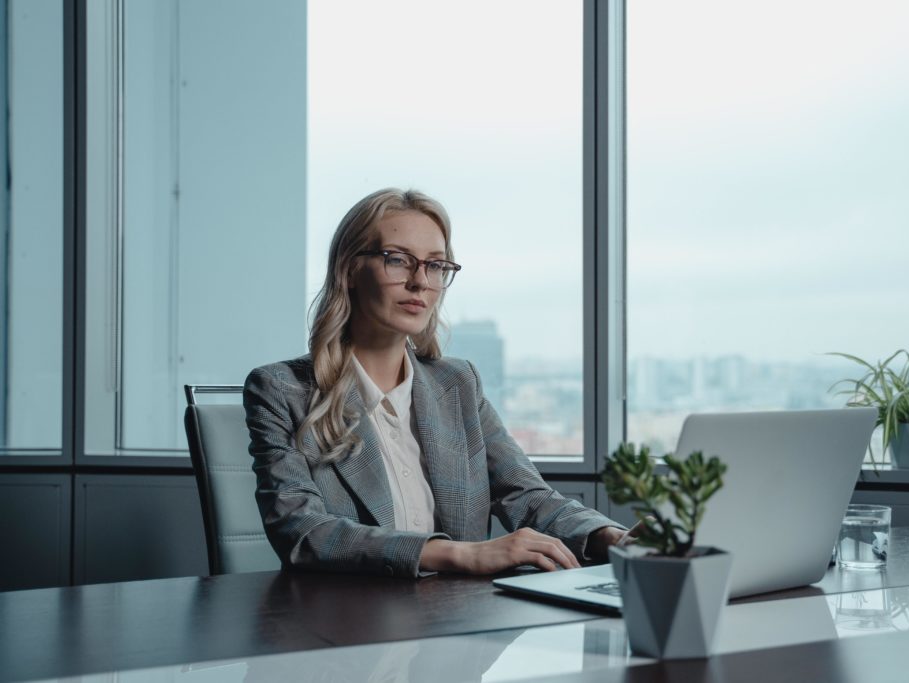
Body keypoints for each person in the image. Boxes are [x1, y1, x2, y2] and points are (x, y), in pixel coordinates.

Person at [243, 188, 626, 578]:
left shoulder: (458, 383)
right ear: (350, 270)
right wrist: (460, 554)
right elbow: (304, 531)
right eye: (398, 260)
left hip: (460, 621)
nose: (420, 282)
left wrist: (611, 538)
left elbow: (526, 496)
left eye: (436, 265)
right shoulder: (281, 389)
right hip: (346, 623)